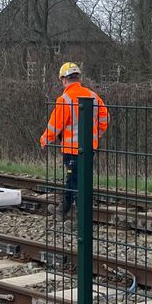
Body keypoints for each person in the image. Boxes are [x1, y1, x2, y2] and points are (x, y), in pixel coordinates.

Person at [40, 62, 109, 218]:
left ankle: (79, 219)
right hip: (90, 147)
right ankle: (62, 210)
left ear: (64, 80)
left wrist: (45, 139)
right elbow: (105, 117)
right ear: (79, 78)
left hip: (72, 150)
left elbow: (55, 125)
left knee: (75, 181)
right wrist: (95, 135)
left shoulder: (64, 99)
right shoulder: (93, 96)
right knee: (77, 179)